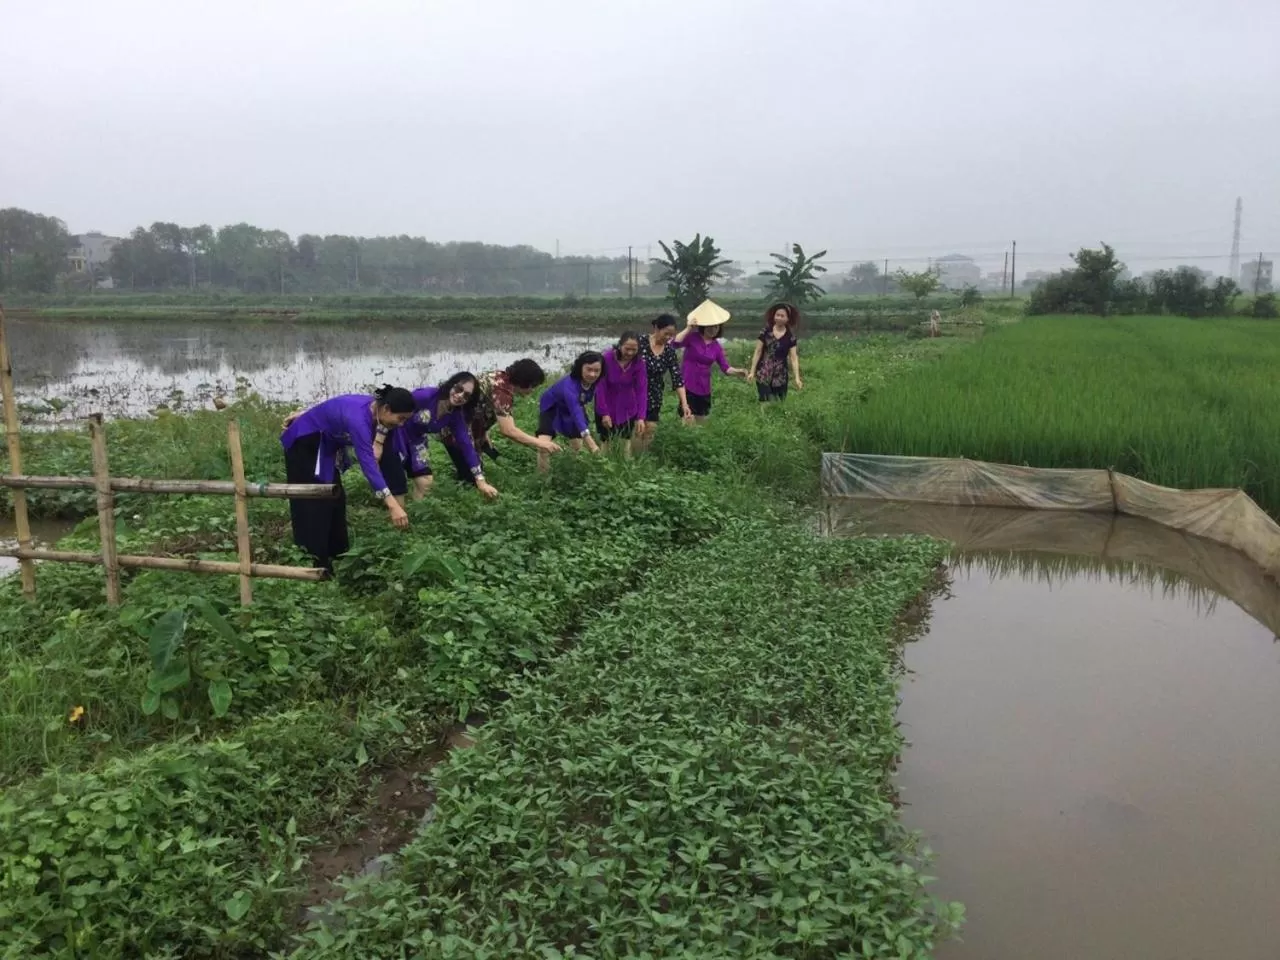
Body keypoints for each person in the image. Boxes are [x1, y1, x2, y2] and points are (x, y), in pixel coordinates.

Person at [279, 384, 415, 571]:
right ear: (386, 409)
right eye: (401, 418)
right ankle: (314, 563)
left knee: (335, 496)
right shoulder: (359, 420)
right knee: (313, 500)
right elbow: (368, 464)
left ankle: (338, 557)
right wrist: (392, 504)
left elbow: (334, 406)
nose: (401, 424)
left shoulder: (377, 411)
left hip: (325, 445)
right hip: (305, 444)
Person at [438, 358, 562, 483]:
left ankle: (466, 474)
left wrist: (483, 432)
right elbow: (508, 430)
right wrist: (541, 443)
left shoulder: (498, 376)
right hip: (454, 427)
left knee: (480, 459)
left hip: (463, 421)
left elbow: (481, 404)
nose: (532, 390)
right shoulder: (503, 392)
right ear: (525, 382)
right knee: (473, 478)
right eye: (533, 386)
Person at [387, 372, 500, 500]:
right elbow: (393, 408)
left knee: (426, 480)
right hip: (396, 434)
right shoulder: (425, 396)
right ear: (451, 385)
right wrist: (379, 437)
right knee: (397, 479)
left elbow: (466, 445)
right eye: (459, 389)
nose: (460, 396)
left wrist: (480, 480)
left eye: (466, 395)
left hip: (417, 440)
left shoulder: (455, 415)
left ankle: (416, 508)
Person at [671, 302, 747, 422]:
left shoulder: (716, 347)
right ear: (704, 326)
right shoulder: (692, 337)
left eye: (716, 327)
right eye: (710, 326)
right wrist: (688, 328)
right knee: (688, 420)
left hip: (704, 389)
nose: (713, 330)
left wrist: (739, 372)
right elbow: (674, 343)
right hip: (688, 385)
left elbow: (726, 368)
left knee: (702, 422)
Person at [536, 350, 603, 471]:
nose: (592, 374)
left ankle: (574, 470)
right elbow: (576, 411)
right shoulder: (570, 385)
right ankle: (543, 477)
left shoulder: (596, 382)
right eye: (589, 369)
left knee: (577, 444)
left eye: (596, 370)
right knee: (543, 445)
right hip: (552, 406)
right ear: (580, 367)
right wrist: (592, 444)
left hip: (572, 408)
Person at [635, 314, 692, 451]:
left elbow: (677, 378)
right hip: (635, 394)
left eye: (671, 335)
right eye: (666, 333)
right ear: (656, 328)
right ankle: (631, 457)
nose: (668, 338)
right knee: (637, 430)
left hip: (654, 396)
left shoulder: (669, 351)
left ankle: (643, 457)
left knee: (650, 430)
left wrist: (684, 404)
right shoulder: (640, 342)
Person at [594, 332, 647, 457]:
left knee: (625, 440)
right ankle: (603, 463)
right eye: (627, 349)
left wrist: (641, 417)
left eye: (634, 350)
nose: (630, 353)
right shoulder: (606, 358)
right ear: (620, 345)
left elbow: (641, 390)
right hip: (607, 404)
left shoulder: (639, 363)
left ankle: (625, 464)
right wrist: (604, 413)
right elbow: (600, 387)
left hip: (627, 407)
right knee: (606, 440)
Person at [746, 301, 803, 402]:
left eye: (782, 316)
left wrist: (797, 378)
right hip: (764, 373)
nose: (779, 318)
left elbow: (793, 358)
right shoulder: (765, 332)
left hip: (781, 376)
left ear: (788, 319)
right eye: (777, 315)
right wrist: (752, 371)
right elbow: (758, 351)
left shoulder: (790, 337)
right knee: (765, 401)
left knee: (779, 402)